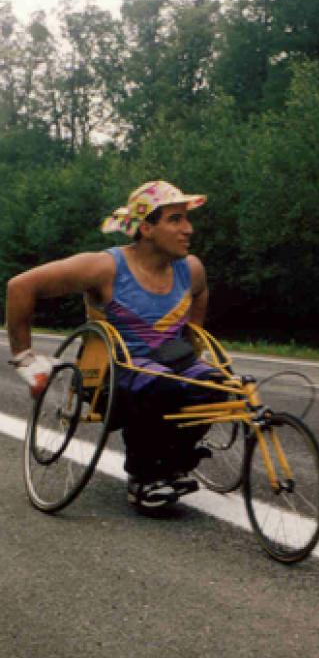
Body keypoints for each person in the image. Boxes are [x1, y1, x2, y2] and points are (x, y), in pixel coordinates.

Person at [7, 179, 221, 510]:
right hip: (112, 375)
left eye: (187, 219)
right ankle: (143, 478)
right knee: (165, 387)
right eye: (176, 220)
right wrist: (24, 358)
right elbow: (20, 286)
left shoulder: (190, 269)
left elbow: (201, 291)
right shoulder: (105, 267)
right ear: (147, 229)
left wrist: (194, 334)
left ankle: (173, 462)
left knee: (218, 384)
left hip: (169, 363)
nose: (188, 229)